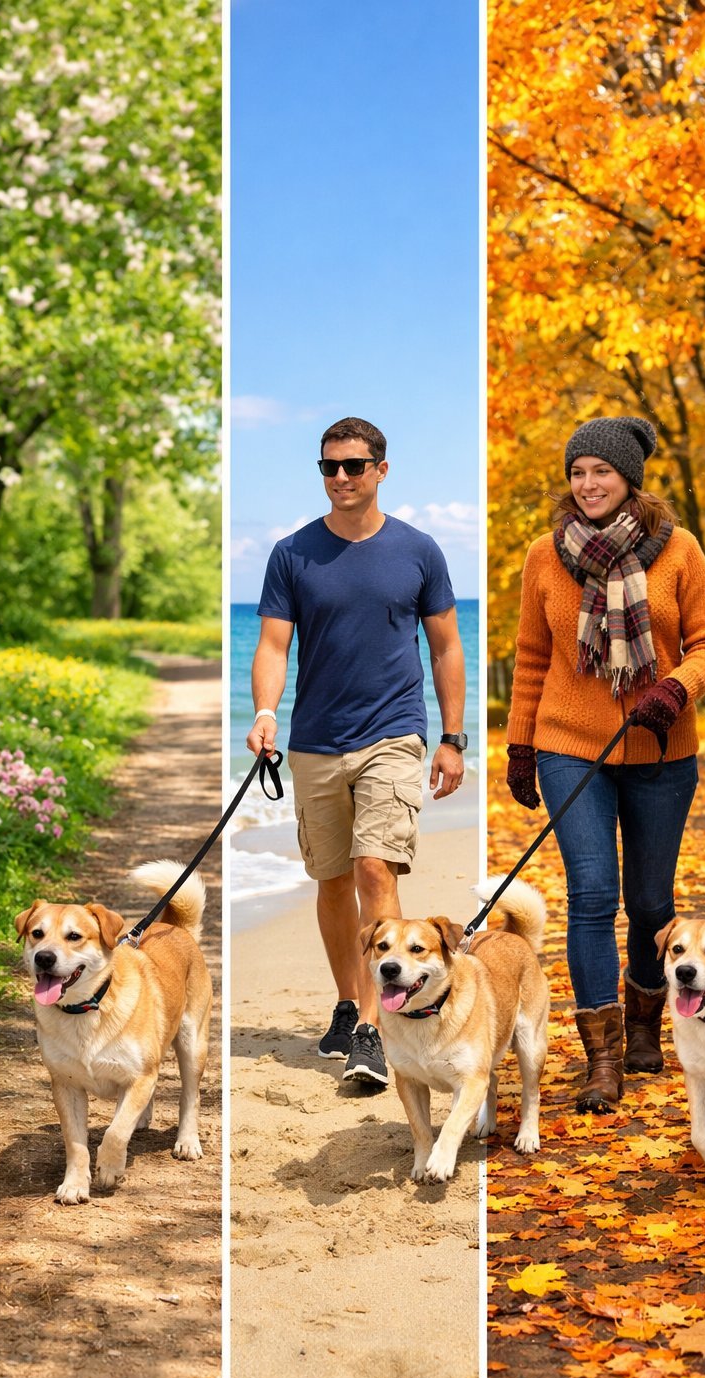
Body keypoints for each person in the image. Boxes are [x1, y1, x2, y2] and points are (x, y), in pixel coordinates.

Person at [504, 416, 705, 1112]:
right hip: (571, 750)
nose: (588, 483)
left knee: (652, 905)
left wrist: (675, 688)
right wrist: (519, 745)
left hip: (662, 751)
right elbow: (534, 658)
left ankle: (643, 1029)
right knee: (593, 896)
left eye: (601, 471)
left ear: (629, 478)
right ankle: (603, 1058)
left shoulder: (679, 551)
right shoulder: (547, 556)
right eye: (578, 472)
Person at [246, 416, 467, 1088]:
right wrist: (262, 712)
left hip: (395, 733)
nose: (341, 477)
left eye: (354, 465)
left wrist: (453, 737)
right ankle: (348, 1002)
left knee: (376, 869)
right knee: (333, 881)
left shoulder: (419, 551)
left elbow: (448, 646)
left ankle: (374, 1025)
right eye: (329, 467)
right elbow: (274, 647)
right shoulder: (293, 554)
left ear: (381, 470)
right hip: (315, 740)